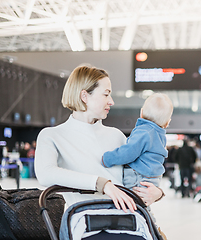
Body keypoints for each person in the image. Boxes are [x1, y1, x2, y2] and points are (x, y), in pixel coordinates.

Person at [35, 65, 164, 214]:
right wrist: (102, 184)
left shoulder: (117, 136)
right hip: (86, 224)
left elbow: (139, 174)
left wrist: (157, 192)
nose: (111, 101)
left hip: (128, 221)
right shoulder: (52, 135)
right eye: (106, 94)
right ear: (84, 96)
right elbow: (45, 174)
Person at [101, 93, 174, 192]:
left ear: (141, 112)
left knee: (130, 203)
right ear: (167, 123)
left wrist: (108, 159)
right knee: (141, 202)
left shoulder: (144, 132)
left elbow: (128, 153)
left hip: (138, 176)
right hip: (153, 178)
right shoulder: (161, 136)